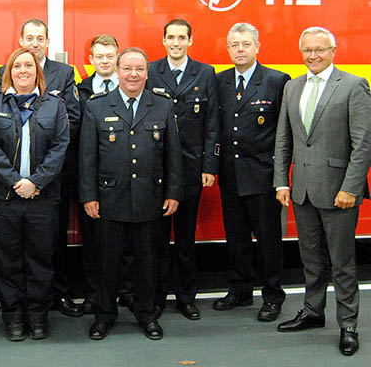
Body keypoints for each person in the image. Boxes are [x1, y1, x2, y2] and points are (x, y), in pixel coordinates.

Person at [274, 27, 371, 356]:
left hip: (338, 192)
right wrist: (281, 181)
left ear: (334, 50)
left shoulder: (354, 85)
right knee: (311, 259)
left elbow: (363, 144)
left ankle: (348, 323)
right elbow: (283, 139)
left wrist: (351, 188)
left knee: (343, 262)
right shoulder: (292, 87)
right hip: (301, 190)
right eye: (307, 50)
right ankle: (313, 312)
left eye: (320, 50)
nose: (313, 56)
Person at [79, 47, 182, 340]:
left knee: (148, 264)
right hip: (109, 200)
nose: (133, 74)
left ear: (147, 72)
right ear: (117, 71)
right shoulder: (97, 106)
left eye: (139, 69)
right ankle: (104, 316)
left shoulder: (162, 105)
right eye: (127, 68)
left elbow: (173, 155)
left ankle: (147, 315)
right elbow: (87, 157)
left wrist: (173, 192)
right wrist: (89, 196)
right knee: (107, 264)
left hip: (151, 199)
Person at [0, 48, 69, 341]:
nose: (23, 71)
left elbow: (60, 148)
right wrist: (16, 182)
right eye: (17, 66)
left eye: (28, 66)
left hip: (42, 198)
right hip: (3, 199)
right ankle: (14, 317)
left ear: (37, 72)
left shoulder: (54, 106)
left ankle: (38, 316)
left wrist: (36, 182)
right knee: (7, 261)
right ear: (9, 72)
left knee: (40, 260)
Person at [0, 18, 82, 317]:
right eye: (29, 37)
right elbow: (1, 123)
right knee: (14, 248)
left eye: (40, 38)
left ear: (48, 42)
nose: (35, 43)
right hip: (12, 181)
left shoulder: (64, 72)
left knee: (52, 241)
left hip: (50, 174)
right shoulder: (6, 71)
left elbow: (71, 119)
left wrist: (42, 167)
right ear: (21, 41)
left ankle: (56, 295)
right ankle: (19, 304)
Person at [213, 23, 290, 321]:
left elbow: (285, 132)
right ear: (228, 48)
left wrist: (281, 174)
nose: (240, 49)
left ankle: (272, 296)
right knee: (236, 238)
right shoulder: (220, 81)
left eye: (246, 44)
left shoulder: (276, 81)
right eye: (234, 44)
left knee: (269, 241)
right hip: (230, 173)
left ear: (258, 46)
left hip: (262, 174)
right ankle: (240, 289)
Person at [146, 18, 219, 320]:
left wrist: (210, 165)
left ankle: (187, 297)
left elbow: (212, 123)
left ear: (191, 40)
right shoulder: (150, 71)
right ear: (163, 40)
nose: (176, 43)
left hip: (191, 167)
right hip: (156, 169)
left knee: (186, 239)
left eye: (181, 37)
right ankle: (158, 295)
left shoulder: (205, 73)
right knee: (157, 239)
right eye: (171, 37)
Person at [76, 34, 133, 314]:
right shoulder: (80, 90)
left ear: (118, 59)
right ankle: (95, 292)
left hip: (126, 179)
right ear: (91, 60)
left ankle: (124, 289)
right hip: (95, 179)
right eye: (99, 56)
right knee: (93, 241)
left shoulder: (132, 88)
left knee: (125, 240)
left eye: (110, 56)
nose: (105, 61)